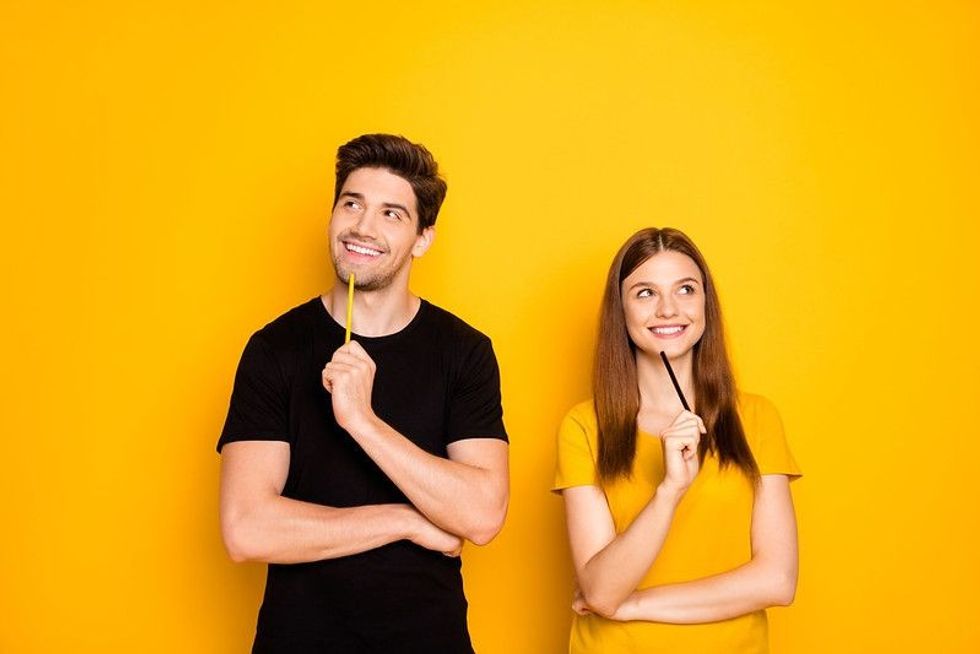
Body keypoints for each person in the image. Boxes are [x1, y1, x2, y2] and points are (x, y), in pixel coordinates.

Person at [218, 134, 509, 653]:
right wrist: (404, 521)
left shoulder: (464, 352)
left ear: (423, 239)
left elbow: (482, 516)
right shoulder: (274, 349)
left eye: (391, 214)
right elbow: (247, 529)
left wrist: (363, 421)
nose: (362, 227)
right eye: (352, 203)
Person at [553, 227, 801, 653]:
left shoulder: (756, 418)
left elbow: (777, 580)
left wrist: (635, 605)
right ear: (622, 310)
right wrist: (669, 491)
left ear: (706, 303)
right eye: (645, 293)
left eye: (685, 289)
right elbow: (601, 590)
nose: (669, 309)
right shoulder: (583, 426)